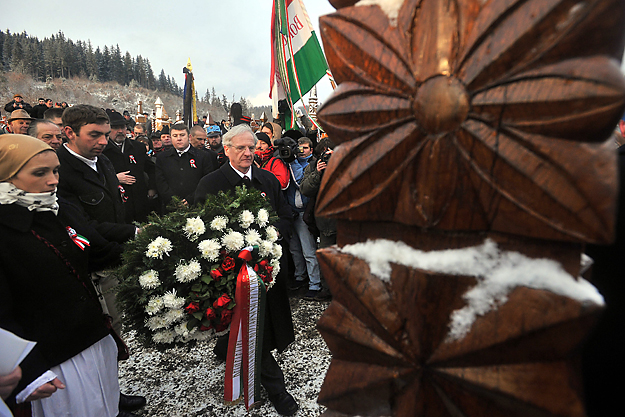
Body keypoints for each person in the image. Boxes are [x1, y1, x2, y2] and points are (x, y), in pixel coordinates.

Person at [0, 134, 124, 416]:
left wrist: (154, 247)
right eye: (40, 173)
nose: (53, 180)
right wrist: (27, 370)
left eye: (56, 170)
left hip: (90, 338)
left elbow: (97, 251)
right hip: (51, 358)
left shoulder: (61, 209)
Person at [194, 124, 298, 417]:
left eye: (252, 147)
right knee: (253, 329)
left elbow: (286, 215)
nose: (248, 153)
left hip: (269, 271)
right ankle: (276, 389)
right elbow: (204, 230)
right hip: (233, 274)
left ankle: (226, 349)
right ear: (226, 149)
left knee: (263, 325)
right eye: (241, 147)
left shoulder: (266, 179)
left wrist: (273, 237)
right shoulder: (211, 183)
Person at [285, 135, 322, 300]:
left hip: (304, 213)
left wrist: (293, 162)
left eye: (305, 148)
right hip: (291, 212)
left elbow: (301, 183)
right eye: (298, 148)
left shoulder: (312, 165)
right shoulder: (287, 162)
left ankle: (315, 283)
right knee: (294, 249)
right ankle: (300, 276)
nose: (301, 151)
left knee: (308, 251)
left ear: (311, 149)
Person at [102, 110, 156, 223]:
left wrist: (152, 188)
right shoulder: (101, 150)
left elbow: (151, 169)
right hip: (116, 204)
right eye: (116, 128)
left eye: (123, 127)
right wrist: (114, 179)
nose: (120, 131)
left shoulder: (138, 147)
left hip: (139, 201)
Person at [155, 123, 218, 210]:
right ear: (171, 138)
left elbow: (207, 180)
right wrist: (173, 200)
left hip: (196, 206)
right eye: (175, 135)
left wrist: (190, 199)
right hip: (170, 207)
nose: (179, 138)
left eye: (182, 135)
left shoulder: (203, 156)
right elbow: (160, 182)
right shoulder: (162, 157)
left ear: (189, 137)